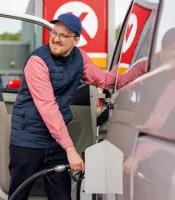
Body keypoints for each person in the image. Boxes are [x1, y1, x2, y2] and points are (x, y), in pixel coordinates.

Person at [8, 13, 146, 200]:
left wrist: (140, 68)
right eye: (54, 33)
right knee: (19, 194)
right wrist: (70, 150)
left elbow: (107, 81)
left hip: (55, 141)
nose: (56, 39)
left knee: (62, 196)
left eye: (63, 35)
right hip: (28, 139)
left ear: (76, 40)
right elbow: (48, 107)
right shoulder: (37, 61)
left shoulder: (80, 58)